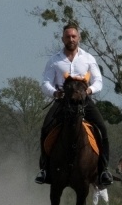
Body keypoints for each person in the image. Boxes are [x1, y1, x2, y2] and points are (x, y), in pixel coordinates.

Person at [35, 23, 113, 186]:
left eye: (73, 36)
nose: (71, 39)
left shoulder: (88, 58)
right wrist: (55, 93)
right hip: (62, 101)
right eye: (67, 36)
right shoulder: (54, 60)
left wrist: (89, 91)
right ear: (62, 38)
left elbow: (98, 81)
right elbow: (45, 83)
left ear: (79, 38)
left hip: (84, 101)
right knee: (45, 128)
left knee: (102, 129)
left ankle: (103, 170)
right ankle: (44, 169)